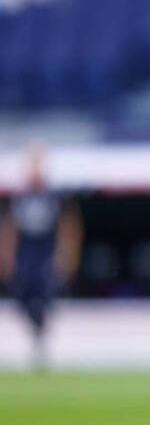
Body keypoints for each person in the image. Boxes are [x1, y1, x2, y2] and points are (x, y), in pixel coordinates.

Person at [0, 143, 83, 370]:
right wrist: (6, 257)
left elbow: (68, 226)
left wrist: (67, 255)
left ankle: (40, 330)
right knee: (22, 291)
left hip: (46, 247)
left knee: (46, 290)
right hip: (26, 248)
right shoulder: (18, 196)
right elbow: (10, 228)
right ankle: (36, 327)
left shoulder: (54, 195)